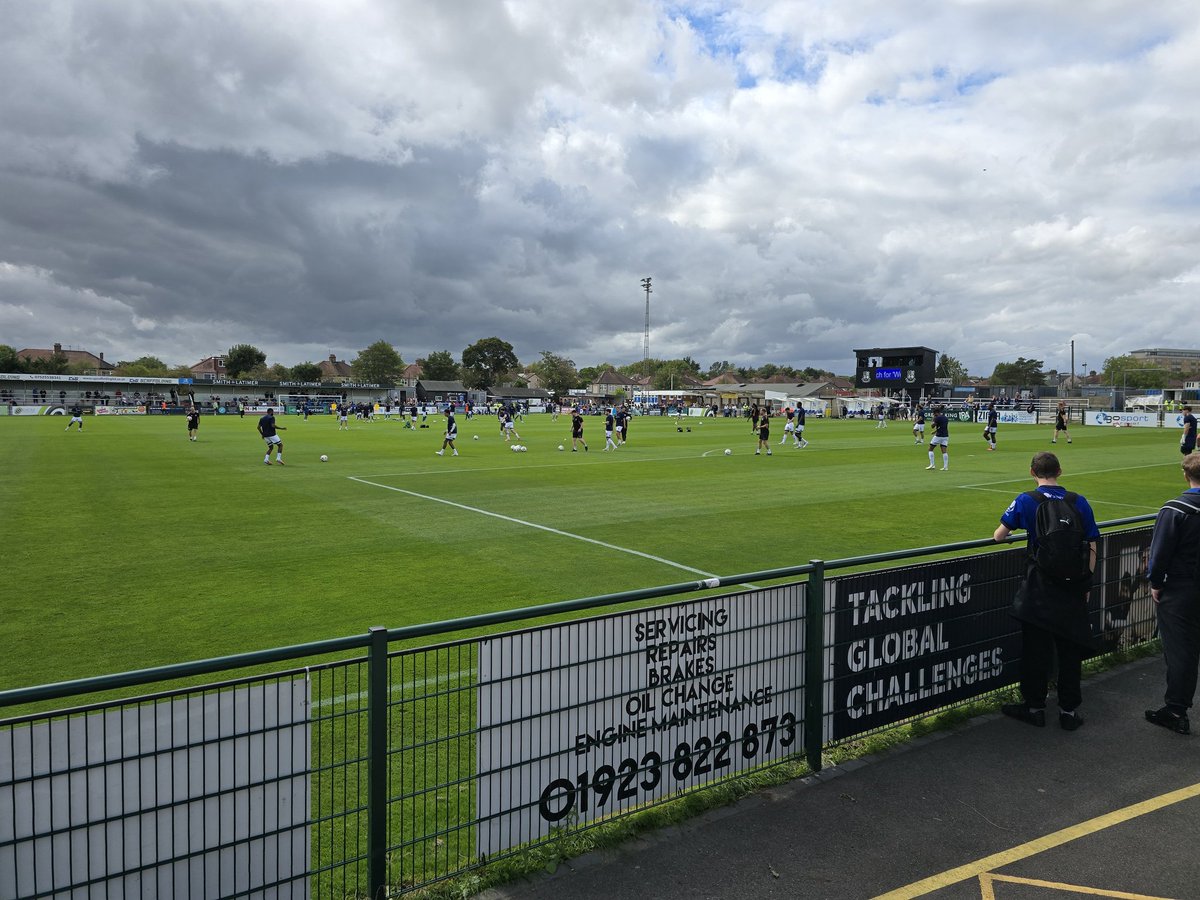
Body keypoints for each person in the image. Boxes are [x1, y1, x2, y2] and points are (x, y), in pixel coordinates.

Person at [993, 451, 1099, 731]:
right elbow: (1091, 544)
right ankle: (1068, 712)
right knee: (1069, 652)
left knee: (1035, 651)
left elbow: (999, 535)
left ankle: (1034, 707)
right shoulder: (1078, 501)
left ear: (1032, 472)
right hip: (1072, 589)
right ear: (1060, 472)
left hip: (1039, 588)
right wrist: (1085, 583)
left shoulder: (1028, 499)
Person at [1144, 454, 1200, 735]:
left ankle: (1176, 710)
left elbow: (1160, 553)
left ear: (1185, 475)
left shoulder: (1176, 509)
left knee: (1181, 651)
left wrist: (1155, 583)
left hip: (1181, 589)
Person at [925, 406, 949, 470]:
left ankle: (932, 465)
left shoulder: (937, 418)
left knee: (930, 449)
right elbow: (942, 427)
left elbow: (932, 426)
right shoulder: (945, 418)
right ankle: (945, 467)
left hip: (938, 436)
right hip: (945, 436)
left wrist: (933, 420)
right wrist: (935, 431)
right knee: (944, 451)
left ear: (936, 413)